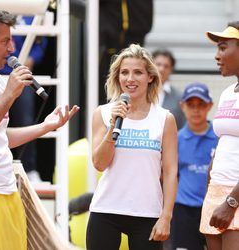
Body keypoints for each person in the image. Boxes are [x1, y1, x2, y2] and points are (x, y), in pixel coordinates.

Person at [0, 8, 79, 250]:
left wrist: (44, 126)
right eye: (5, 41)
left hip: (5, 188)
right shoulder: (4, 87)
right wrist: (9, 95)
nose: (11, 50)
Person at [86, 44, 178, 250]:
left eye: (138, 72)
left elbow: (171, 171)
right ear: (117, 77)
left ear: (150, 77)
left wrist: (166, 216)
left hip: (147, 213)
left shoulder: (165, 118)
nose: (130, 79)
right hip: (106, 210)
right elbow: (99, 164)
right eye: (124, 72)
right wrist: (113, 125)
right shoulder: (102, 113)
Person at [199, 21, 239, 250]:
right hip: (216, 191)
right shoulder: (225, 93)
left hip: (235, 196)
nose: (217, 55)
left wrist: (231, 202)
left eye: (223, 48)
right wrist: (210, 193)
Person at [0, 15, 48, 182]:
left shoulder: (31, 12)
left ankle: (30, 168)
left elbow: (41, 42)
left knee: (25, 120)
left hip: (20, 74)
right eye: (6, 42)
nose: (10, 47)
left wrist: (32, 59)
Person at [171, 83, 218, 250]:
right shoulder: (175, 139)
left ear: (210, 106)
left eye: (201, 105)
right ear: (182, 106)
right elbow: (169, 176)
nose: (196, 110)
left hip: (215, 209)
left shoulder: (221, 137)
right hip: (184, 211)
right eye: (191, 105)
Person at [152, 49, 185, 129]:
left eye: (166, 66)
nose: (161, 69)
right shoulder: (140, 92)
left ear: (171, 70)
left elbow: (182, 125)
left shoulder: (179, 97)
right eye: (158, 64)